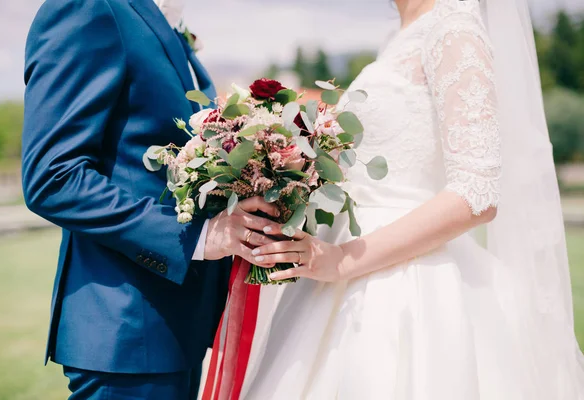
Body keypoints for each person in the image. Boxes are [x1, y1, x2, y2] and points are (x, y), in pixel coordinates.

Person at [242, 0, 584, 398]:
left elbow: (477, 192)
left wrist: (341, 259)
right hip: (342, 265)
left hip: (404, 283)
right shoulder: (402, 35)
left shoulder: (454, 27)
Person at [21, 0, 279, 398]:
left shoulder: (169, 26)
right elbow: (53, 177)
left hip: (180, 328)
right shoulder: (88, 8)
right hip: (127, 331)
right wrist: (199, 236)